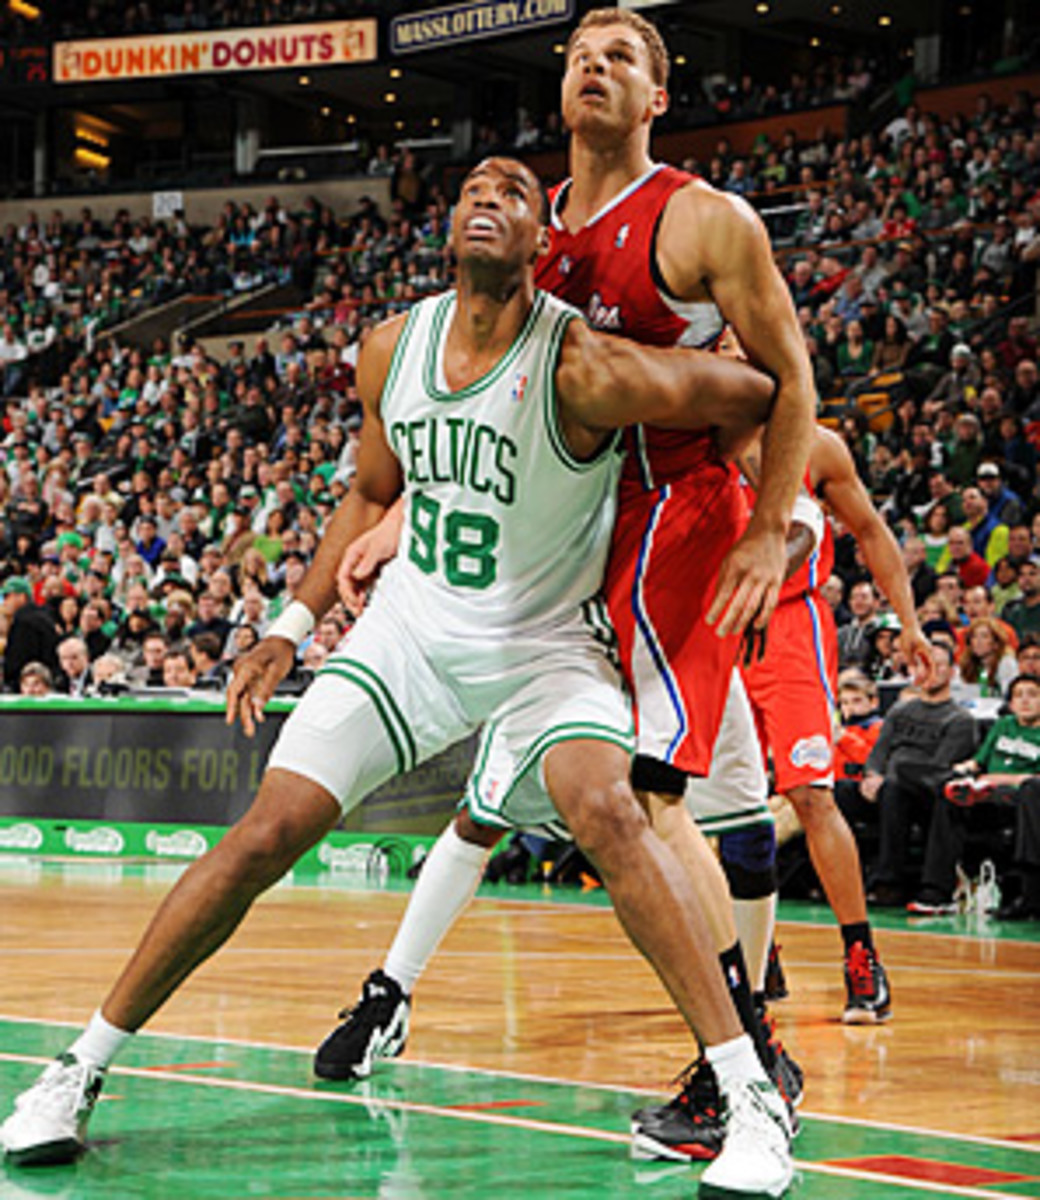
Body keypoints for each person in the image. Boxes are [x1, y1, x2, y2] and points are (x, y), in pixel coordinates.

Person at [0, 157, 793, 1197]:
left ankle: (749, 1099)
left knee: (610, 811)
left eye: (514, 191)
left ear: (538, 242)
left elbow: (765, 391)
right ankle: (78, 1070)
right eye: (472, 187)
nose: (487, 197)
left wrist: (756, 442)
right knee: (265, 831)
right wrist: (290, 622)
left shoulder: (587, 367)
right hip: (411, 634)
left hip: (543, 647)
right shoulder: (390, 348)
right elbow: (370, 492)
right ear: (446, 223)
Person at [312, 9, 815, 1166]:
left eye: (622, 56)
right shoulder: (538, 229)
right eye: (579, 52)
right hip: (571, 543)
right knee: (578, 794)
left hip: (678, 527)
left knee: (647, 794)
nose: (593, 65)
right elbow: (479, 391)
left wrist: (767, 535)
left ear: (657, 96)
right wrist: (396, 516)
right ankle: (403, 992)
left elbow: (789, 379)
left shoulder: (700, 218)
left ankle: (745, 1056)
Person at [738, 425, 932, 1022]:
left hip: (791, 628)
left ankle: (861, 955)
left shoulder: (813, 445)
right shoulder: (688, 431)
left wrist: (909, 620)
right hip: (715, 629)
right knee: (725, 804)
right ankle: (754, 950)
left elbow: (871, 530)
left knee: (810, 795)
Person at [907, 673, 1040, 914]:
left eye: (1032, 695)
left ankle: (1027, 889)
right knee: (948, 795)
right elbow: (978, 762)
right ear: (1010, 703)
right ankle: (937, 892)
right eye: (1018, 696)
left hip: (1022, 798)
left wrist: (1002, 780)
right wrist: (961, 770)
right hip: (985, 793)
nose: (1025, 701)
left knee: (1028, 790)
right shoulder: (1002, 726)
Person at [861, 642, 979, 907]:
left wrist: (890, 777)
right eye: (924, 665)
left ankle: (889, 883)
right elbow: (879, 751)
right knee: (836, 793)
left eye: (939, 666)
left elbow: (938, 768)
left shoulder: (960, 719)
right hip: (887, 786)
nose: (931, 672)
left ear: (951, 673)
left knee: (899, 782)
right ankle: (818, 883)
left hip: (926, 793)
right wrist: (872, 775)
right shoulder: (900, 711)